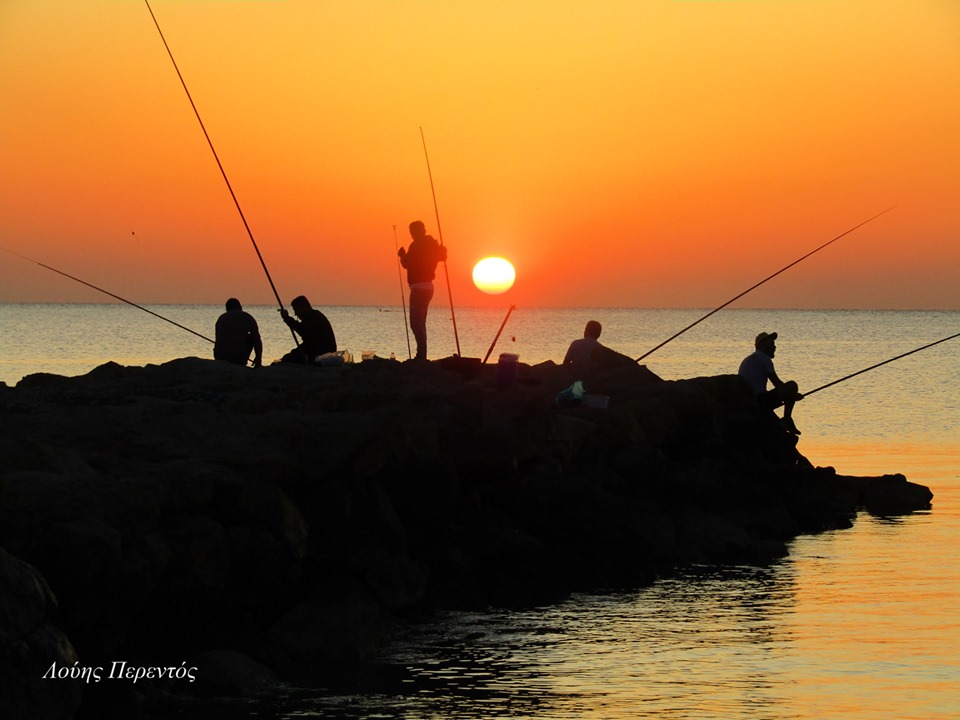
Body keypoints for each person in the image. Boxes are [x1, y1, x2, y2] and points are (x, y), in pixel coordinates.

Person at [398, 220, 447, 360]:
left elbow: (407, 264)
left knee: (415, 323)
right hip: (429, 288)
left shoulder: (416, 245)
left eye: (412, 232)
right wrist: (442, 248)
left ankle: (421, 356)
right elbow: (443, 257)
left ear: (419, 231)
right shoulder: (432, 243)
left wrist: (402, 255)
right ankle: (422, 355)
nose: (412, 234)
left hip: (418, 288)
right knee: (421, 322)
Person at [738, 331, 803, 434]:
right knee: (792, 385)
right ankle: (787, 418)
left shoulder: (748, 359)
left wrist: (791, 396)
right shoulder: (764, 358)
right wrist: (792, 395)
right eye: (771, 344)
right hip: (759, 401)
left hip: (748, 402)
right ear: (762, 345)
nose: (775, 347)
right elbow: (777, 384)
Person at [278, 295, 336, 363]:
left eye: (296, 310)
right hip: (321, 349)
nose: (295, 314)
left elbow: (302, 331)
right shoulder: (314, 315)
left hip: (321, 351)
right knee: (291, 355)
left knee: (289, 358)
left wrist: (287, 318)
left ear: (303, 307)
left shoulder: (313, 317)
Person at [214, 298, 262, 367]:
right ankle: (243, 362)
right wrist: (258, 358)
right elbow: (257, 340)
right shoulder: (248, 317)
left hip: (220, 357)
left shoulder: (221, 318)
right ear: (240, 307)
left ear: (227, 309)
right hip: (238, 358)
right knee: (251, 337)